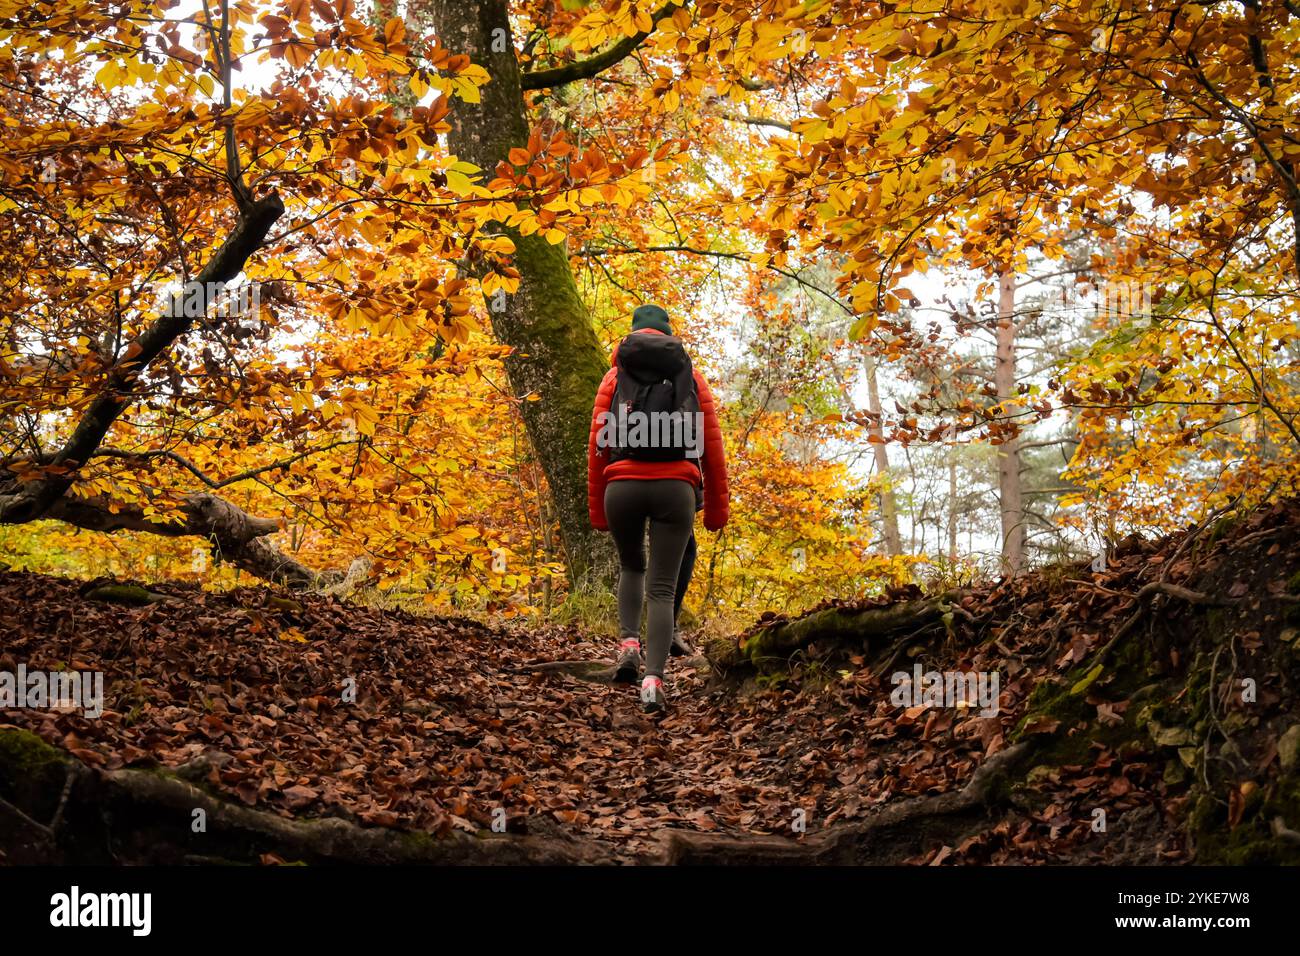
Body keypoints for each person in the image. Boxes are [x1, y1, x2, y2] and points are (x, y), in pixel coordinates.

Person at [587, 304, 729, 713]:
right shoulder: (691, 378)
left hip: (622, 487)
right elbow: (713, 450)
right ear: (669, 335)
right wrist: (717, 510)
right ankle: (652, 682)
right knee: (663, 590)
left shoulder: (613, 379)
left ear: (631, 336)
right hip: (676, 486)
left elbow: (597, 448)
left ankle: (628, 645)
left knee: (632, 566)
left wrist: (598, 508)